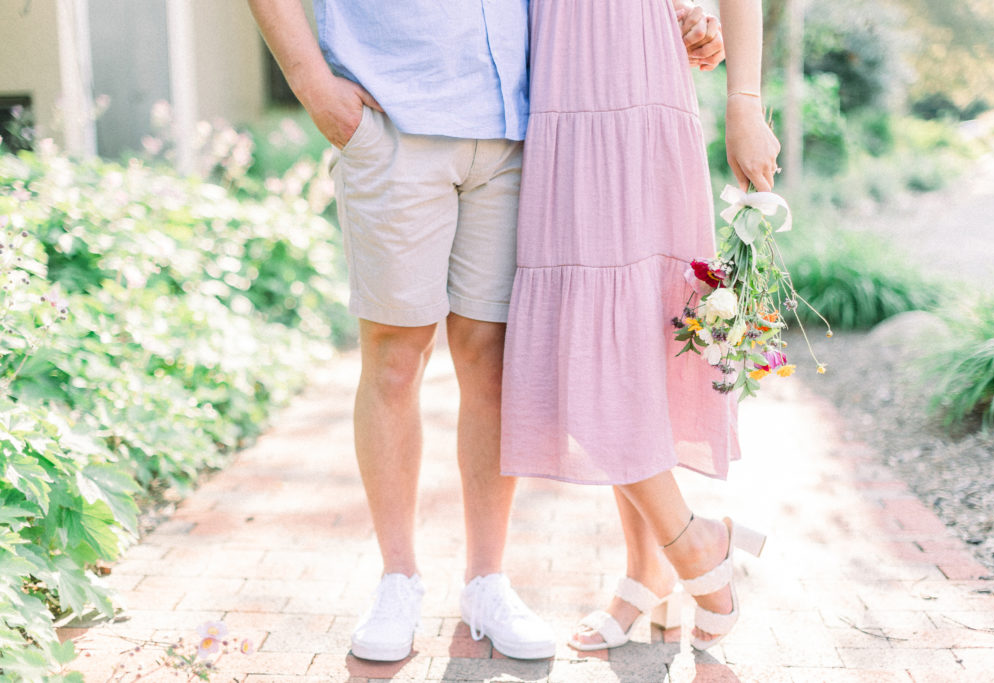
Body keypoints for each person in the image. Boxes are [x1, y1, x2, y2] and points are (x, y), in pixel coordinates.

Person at [246, 0, 725, 663]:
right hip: (391, 114)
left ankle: (487, 581)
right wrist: (312, 85)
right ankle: (397, 580)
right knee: (394, 357)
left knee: (493, 361)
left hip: (515, 125)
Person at [500, 0, 780, 652]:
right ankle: (653, 562)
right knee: (602, 326)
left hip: (634, 72)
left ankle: (680, 545)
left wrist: (744, 99)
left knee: (622, 327)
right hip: (558, 82)